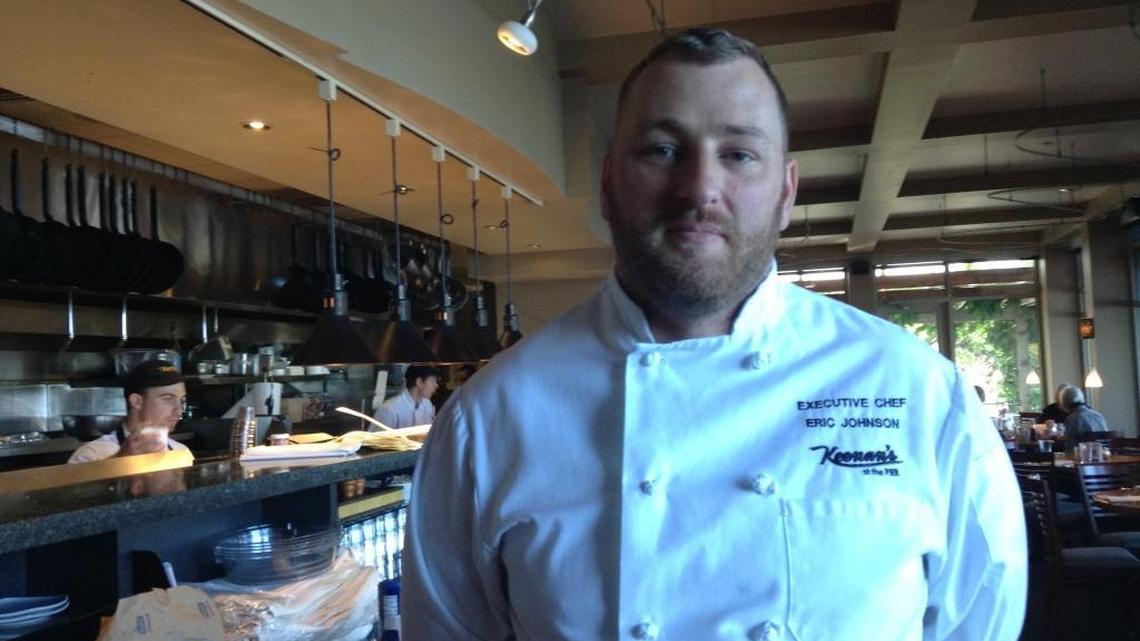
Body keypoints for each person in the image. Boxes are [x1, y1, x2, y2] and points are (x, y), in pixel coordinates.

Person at [403, 27, 1026, 641]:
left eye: (739, 154)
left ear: (786, 192)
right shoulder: (488, 417)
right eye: (662, 150)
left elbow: (983, 621)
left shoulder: (917, 389)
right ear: (608, 183)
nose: (699, 189)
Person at [68, 360, 191, 463]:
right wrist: (122, 459)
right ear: (137, 401)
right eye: (168, 398)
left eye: (181, 400)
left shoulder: (180, 451)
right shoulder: (92, 455)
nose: (179, 409)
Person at [373, 365, 440, 429]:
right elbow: (377, 439)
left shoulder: (427, 404)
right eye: (432, 381)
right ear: (419, 382)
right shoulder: (390, 410)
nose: (436, 385)